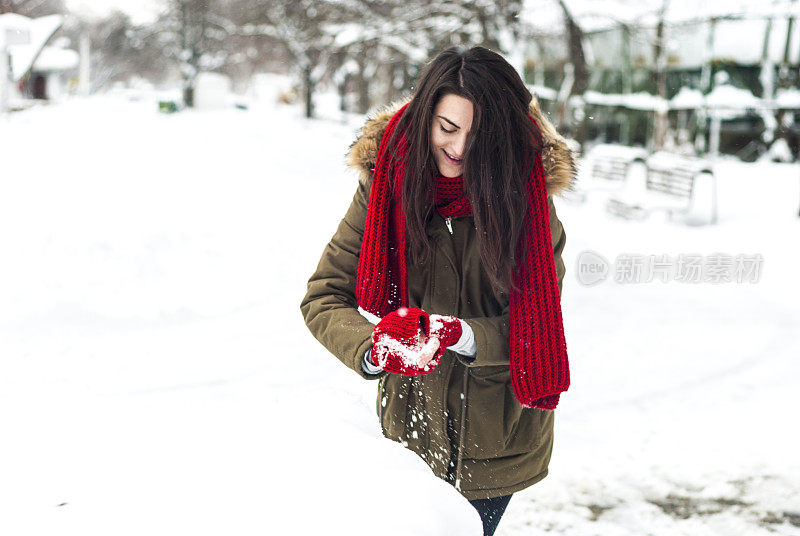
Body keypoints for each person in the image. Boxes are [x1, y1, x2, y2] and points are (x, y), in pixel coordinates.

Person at [300, 45, 576, 536]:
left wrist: (460, 336)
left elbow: (537, 328)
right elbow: (325, 295)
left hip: (498, 442)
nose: (460, 149)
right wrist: (375, 349)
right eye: (447, 128)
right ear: (427, 115)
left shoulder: (527, 203)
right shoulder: (384, 185)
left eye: (480, 136)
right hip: (407, 434)